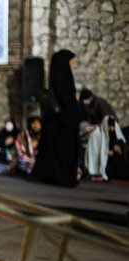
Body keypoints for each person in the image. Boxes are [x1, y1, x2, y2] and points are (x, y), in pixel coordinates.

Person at [31, 50, 80, 187]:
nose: (72, 64)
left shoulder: (59, 76)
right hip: (61, 122)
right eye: (70, 61)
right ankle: (60, 176)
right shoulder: (61, 77)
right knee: (61, 151)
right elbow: (65, 97)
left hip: (58, 122)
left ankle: (56, 175)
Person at [81, 89, 118, 180]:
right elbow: (91, 118)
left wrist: (100, 127)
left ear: (91, 97)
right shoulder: (88, 105)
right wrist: (92, 127)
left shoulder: (100, 102)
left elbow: (107, 116)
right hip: (97, 127)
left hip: (108, 126)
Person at [106, 116, 129, 181]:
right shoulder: (108, 134)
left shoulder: (121, 133)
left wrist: (119, 149)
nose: (110, 128)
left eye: (111, 126)